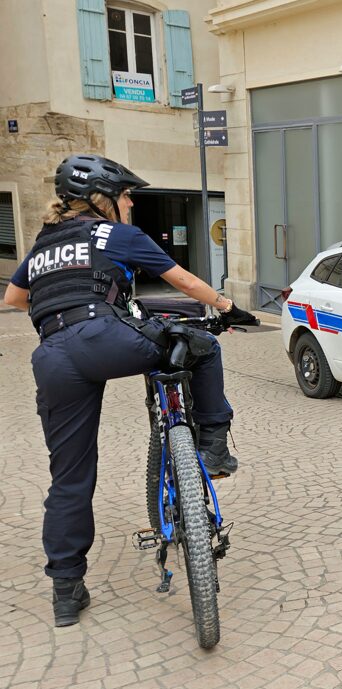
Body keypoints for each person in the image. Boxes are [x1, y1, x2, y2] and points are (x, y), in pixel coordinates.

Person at [2, 153, 255, 627]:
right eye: (125, 196)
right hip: (108, 337)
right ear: (102, 200)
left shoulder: (43, 245)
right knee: (197, 345)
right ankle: (213, 446)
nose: (131, 204)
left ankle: (66, 590)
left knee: (70, 479)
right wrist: (227, 306)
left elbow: (14, 299)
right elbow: (181, 279)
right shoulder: (115, 234)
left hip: (53, 356)